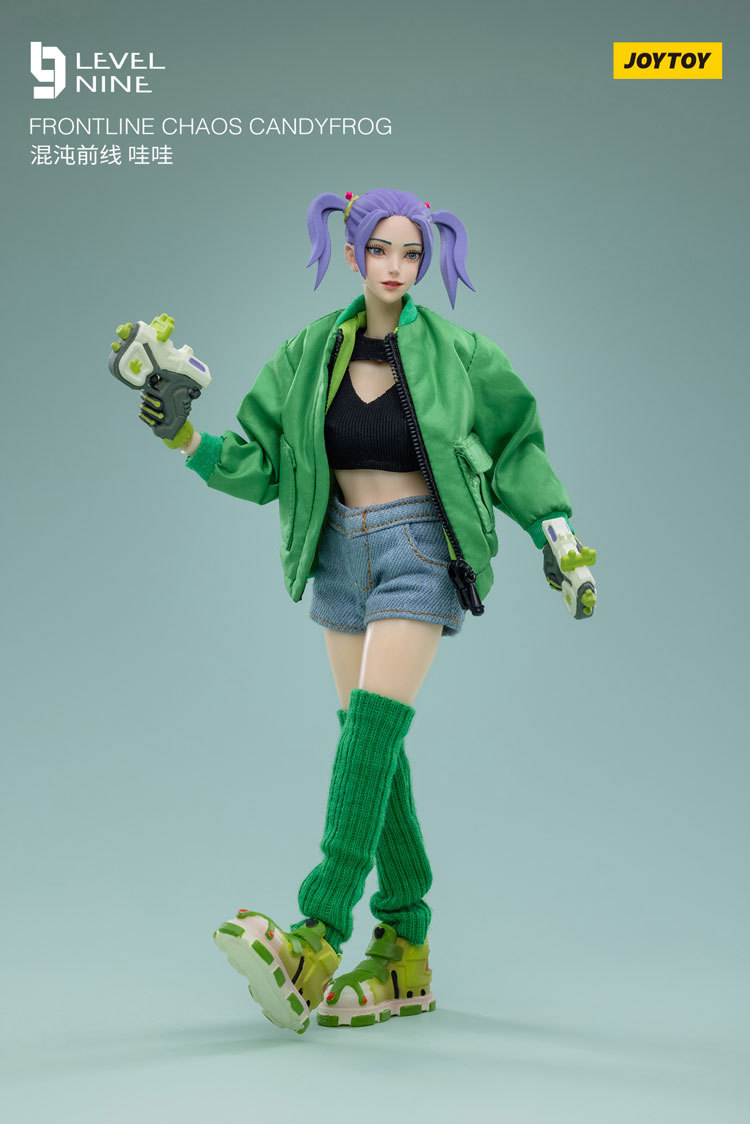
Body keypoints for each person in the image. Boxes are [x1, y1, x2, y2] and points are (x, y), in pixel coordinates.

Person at [115, 187, 596, 1034]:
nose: (396, 267)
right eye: (381, 251)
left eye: (412, 253)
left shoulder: (460, 353)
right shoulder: (308, 353)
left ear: (425, 260)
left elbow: (518, 444)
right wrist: (184, 437)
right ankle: (405, 943)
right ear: (353, 255)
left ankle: (318, 931)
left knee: (370, 732)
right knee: (374, 749)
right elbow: (262, 463)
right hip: (337, 551)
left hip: (420, 549)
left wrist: (556, 535)